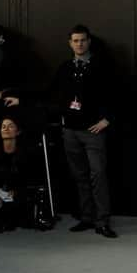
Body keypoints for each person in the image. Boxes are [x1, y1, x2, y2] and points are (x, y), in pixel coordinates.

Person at [52, 24, 117, 239]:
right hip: (70, 131)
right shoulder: (65, 68)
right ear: (70, 43)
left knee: (98, 174)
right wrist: (20, 98)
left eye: (83, 40)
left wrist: (107, 120)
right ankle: (87, 217)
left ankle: (102, 221)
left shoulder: (103, 66)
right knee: (79, 176)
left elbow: (121, 94)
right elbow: (49, 92)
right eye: (75, 40)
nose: (79, 44)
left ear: (89, 42)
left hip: (92, 132)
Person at [0, 115, 29, 233]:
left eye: (10, 126)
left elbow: (26, 178)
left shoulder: (23, 154)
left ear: (18, 131)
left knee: (14, 199)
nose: (6, 129)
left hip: (16, 190)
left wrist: (15, 191)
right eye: (3, 127)